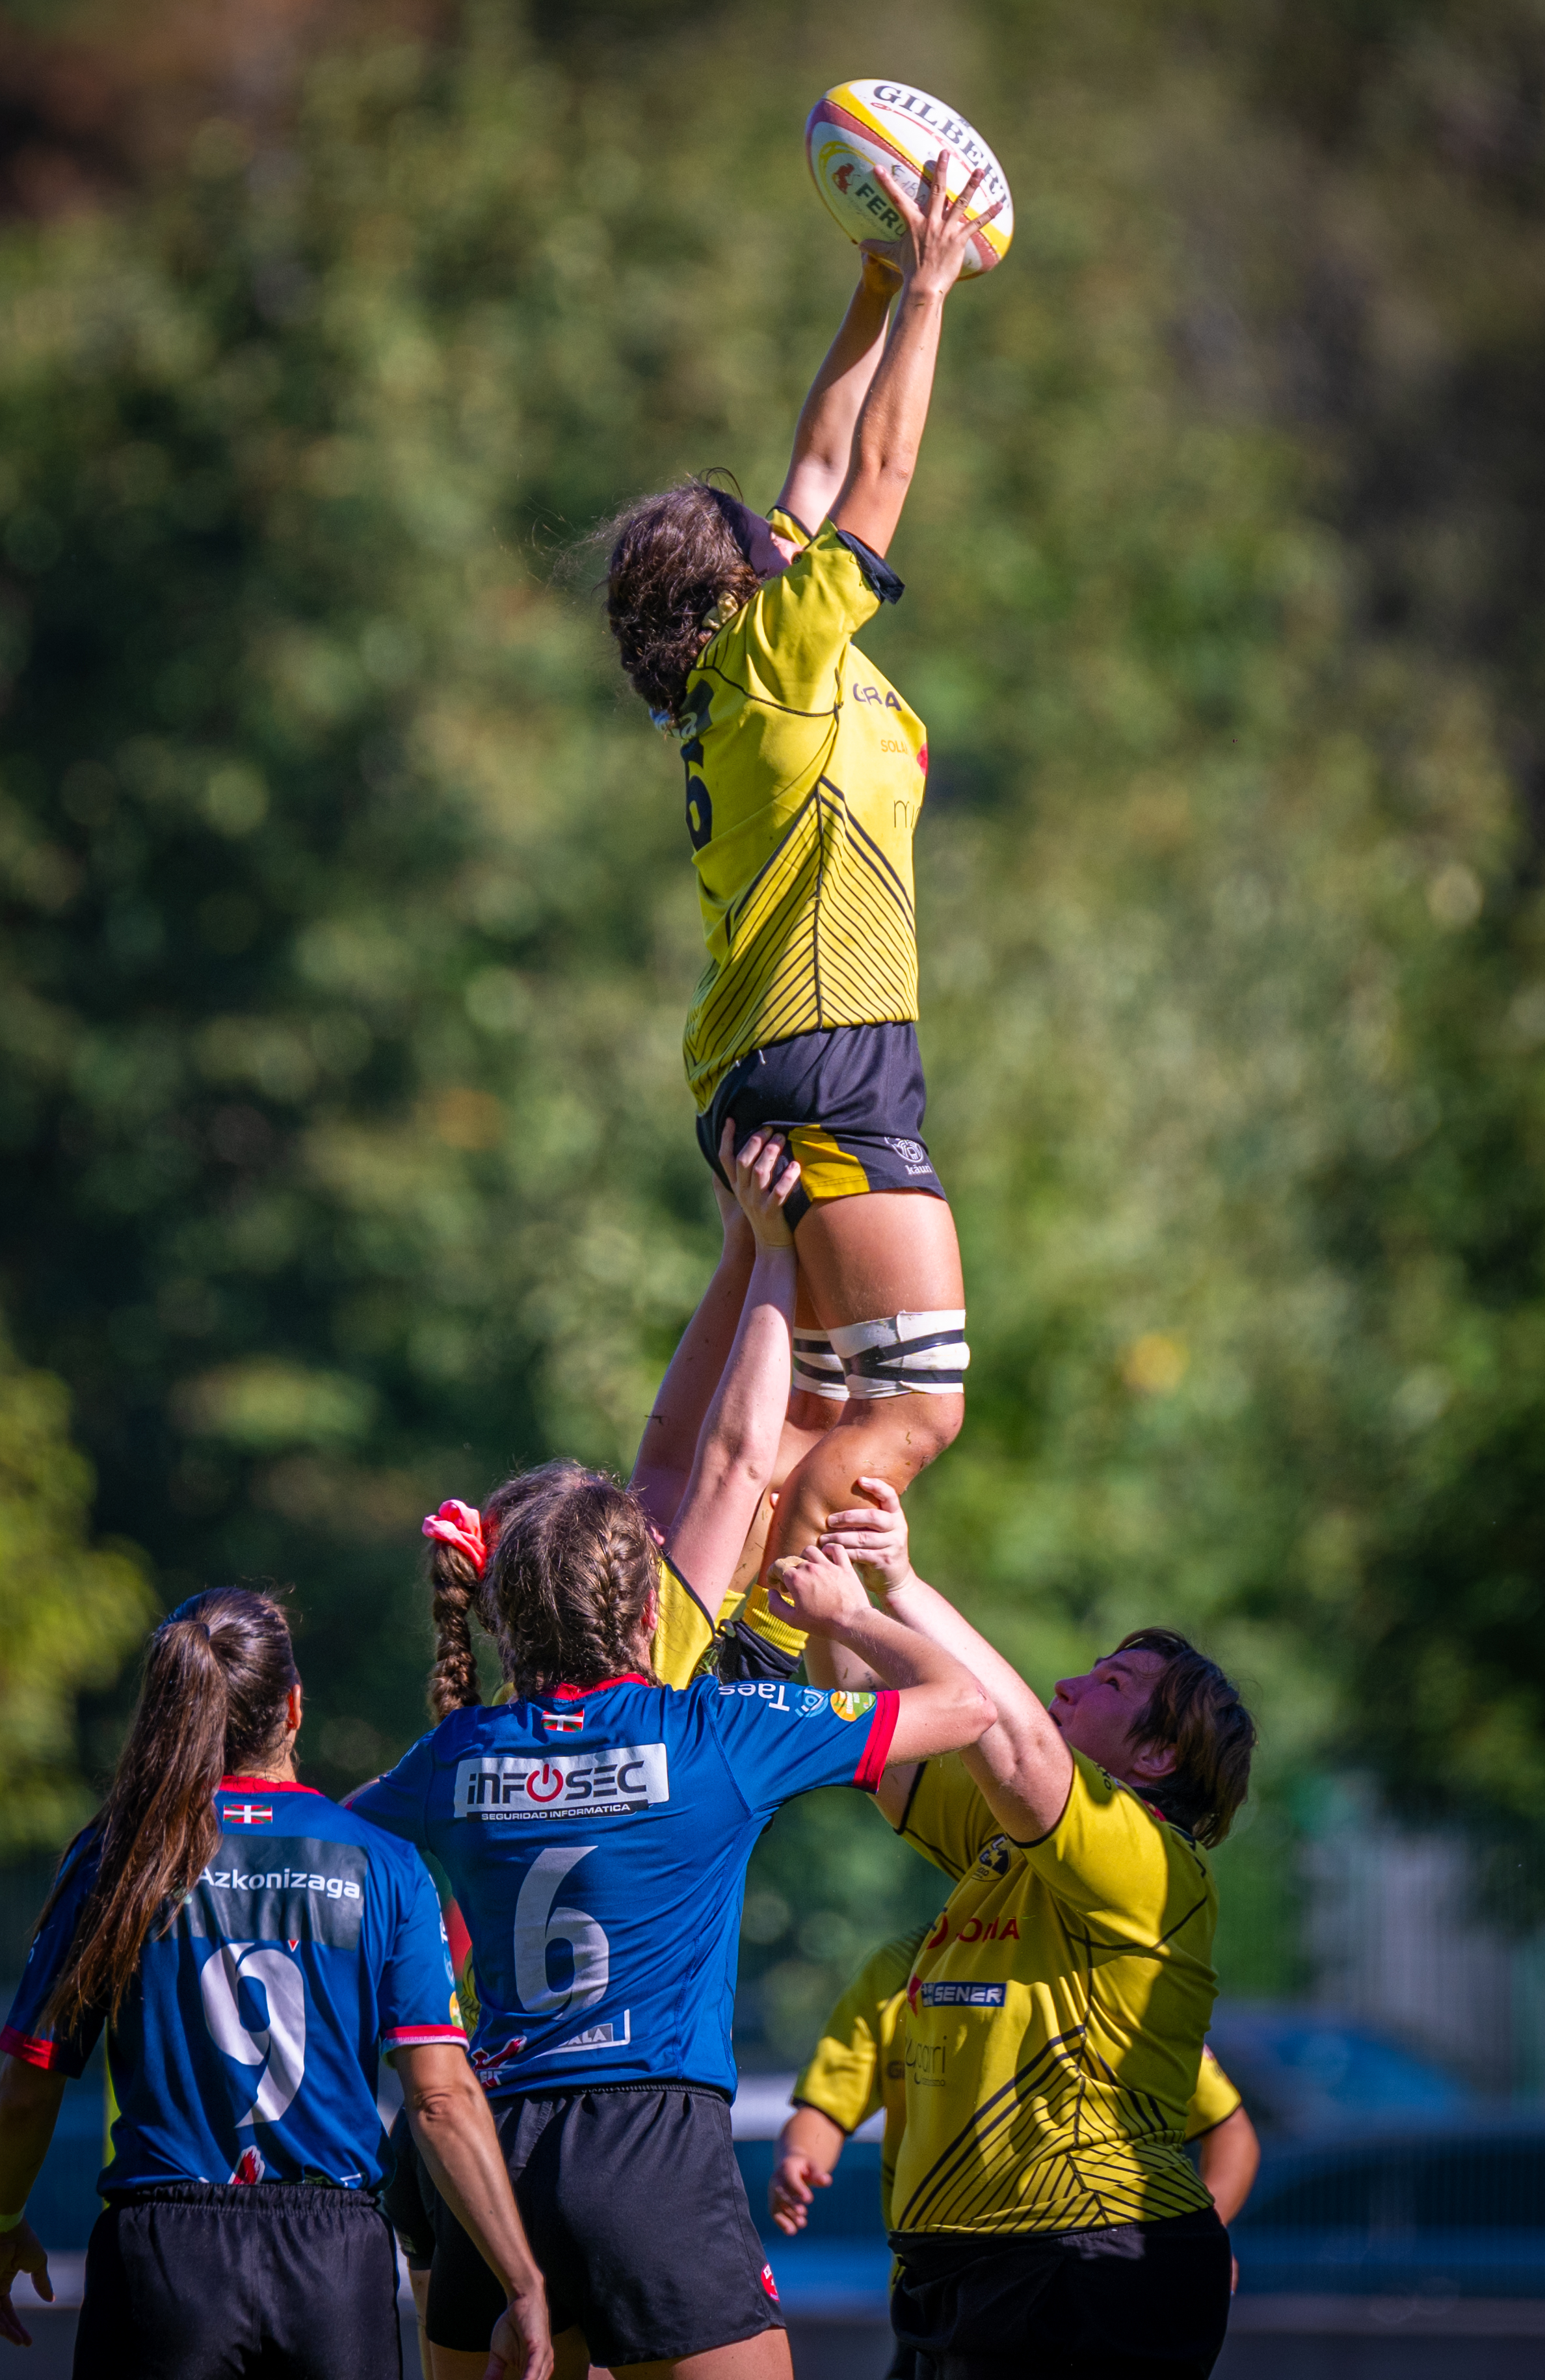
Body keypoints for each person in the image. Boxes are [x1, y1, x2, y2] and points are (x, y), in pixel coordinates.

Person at [350, 1138, 995, 2380]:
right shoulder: (707, 1736)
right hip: (644, 2149)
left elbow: (311, 1838)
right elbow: (958, 1698)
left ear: (492, 1613)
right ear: (647, 1609)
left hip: (476, 2152)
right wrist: (858, 1606)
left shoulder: (453, 1751)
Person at [600, 151, 1004, 1674]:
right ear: (739, 592)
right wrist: (938, 299)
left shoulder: (745, 666)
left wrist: (872, 283)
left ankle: (679, 1642)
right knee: (912, 1410)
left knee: (834, 1419)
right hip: (824, 1066)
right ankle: (766, 1641)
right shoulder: (779, 654)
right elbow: (877, 479)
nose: (788, 525)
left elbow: (821, 464)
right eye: (760, 534)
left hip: (775, 1064)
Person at [0, 1588, 553, 2380]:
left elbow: (30, 2084)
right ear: (294, 1705)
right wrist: (522, 2280)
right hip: (333, 2262)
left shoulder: (118, 1857)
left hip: (162, 2254)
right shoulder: (381, 1862)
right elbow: (441, 2099)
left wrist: (0, 2219)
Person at [778, 1480, 1256, 2380]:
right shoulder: (1009, 1840)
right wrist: (825, 1580)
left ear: (1155, 1756)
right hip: (966, 2266)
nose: (1068, 1683)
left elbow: (1018, 1739)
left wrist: (896, 1586)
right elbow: (869, 1725)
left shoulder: (1149, 1857)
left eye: (1108, 1683)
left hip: (1088, 2256)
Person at [769, 1936, 1260, 2248]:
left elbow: (1229, 2130)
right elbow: (826, 2108)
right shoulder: (899, 1968)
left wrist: (1193, 2241)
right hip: (931, 2285)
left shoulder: (1096, 1967)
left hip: (1084, 2278)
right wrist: (800, 2158)